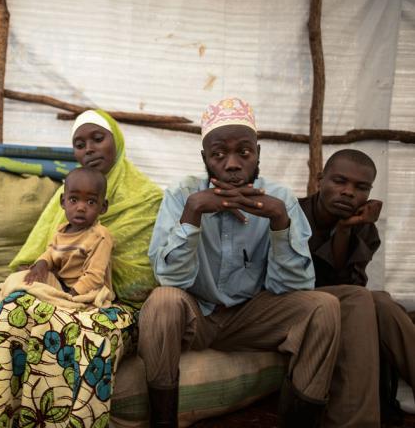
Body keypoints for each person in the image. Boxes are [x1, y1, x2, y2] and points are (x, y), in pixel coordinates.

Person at [139, 97, 341, 428]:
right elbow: (170, 279)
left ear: (257, 154)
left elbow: (293, 286)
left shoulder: (280, 200)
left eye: (243, 152)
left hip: (251, 316)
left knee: (324, 306)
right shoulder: (182, 195)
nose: (232, 164)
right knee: (162, 302)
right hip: (198, 314)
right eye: (219, 154)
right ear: (205, 158)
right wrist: (193, 214)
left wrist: (279, 222)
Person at [0, 110, 163, 427]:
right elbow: (45, 252)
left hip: (117, 304)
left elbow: (143, 277)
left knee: (88, 334)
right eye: (80, 144)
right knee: (11, 312)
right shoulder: (62, 201)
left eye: (97, 139)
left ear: (116, 141)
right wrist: (42, 271)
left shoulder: (147, 200)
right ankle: (12, 417)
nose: (89, 149)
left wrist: (73, 295)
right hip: (63, 292)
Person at [300, 149, 415, 425]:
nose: (349, 192)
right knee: (366, 299)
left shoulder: (365, 228)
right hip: (295, 303)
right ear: (320, 180)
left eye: (361, 187)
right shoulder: (293, 215)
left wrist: (345, 229)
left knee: (382, 302)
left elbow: (350, 287)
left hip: (342, 303)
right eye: (339, 181)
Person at [24, 167, 113, 297]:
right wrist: (41, 264)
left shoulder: (100, 236)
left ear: (103, 207)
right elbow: (50, 253)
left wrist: (70, 296)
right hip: (62, 286)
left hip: (87, 293)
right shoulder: (61, 230)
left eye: (91, 202)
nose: (81, 208)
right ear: (63, 201)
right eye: (73, 200)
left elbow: (95, 277)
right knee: (19, 279)